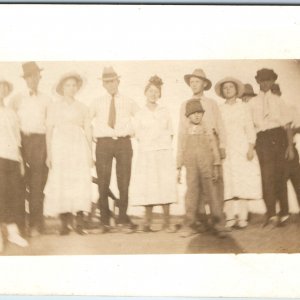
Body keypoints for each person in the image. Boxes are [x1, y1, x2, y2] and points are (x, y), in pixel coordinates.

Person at [90, 67, 140, 233]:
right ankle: (104, 221)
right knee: (103, 183)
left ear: (118, 81)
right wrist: (93, 136)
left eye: (113, 81)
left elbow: (141, 119)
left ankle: (122, 219)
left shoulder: (128, 101)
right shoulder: (96, 102)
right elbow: (85, 120)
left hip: (123, 143)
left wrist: (133, 131)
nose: (110, 85)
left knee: (123, 182)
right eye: (107, 82)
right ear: (103, 84)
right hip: (103, 144)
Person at [44, 72, 93, 235]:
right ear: (62, 88)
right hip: (60, 147)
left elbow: (87, 130)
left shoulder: (83, 107)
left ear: (77, 88)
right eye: (67, 85)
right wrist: (49, 155)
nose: (71, 88)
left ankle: (79, 223)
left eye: (74, 85)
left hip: (78, 146)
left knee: (79, 182)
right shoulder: (54, 107)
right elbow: (49, 131)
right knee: (62, 181)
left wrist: (89, 154)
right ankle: (64, 224)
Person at [178, 68, 226, 231]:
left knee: (214, 185)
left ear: (204, 84)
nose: (194, 85)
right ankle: (198, 221)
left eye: (197, 81)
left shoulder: (211, 103)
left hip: (210, 145)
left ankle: (217, 221)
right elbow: (182, 132)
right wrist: (181, 159)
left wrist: (221, 146)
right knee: (193, 186)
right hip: (192, 147)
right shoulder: (185, 104)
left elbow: (219, 125)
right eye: (191, 82)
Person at [130, 75, 177, 232]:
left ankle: (166, 222)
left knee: (165, 184)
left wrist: (162, 146)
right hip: (147, 154)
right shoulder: (140, 113)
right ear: (145, 92)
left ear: (160, 94)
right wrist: (149, 144)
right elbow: (137, 134)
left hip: (163, 152)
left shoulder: (165, 111)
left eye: (156, 91)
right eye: (150, 91)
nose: (153, 94)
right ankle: (147, 222)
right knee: (148, 186)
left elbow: (170, 133)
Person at [9, 62, 51, 237]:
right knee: (19, 185)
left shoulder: (47, 99)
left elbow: (49, 126)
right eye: (29, 76)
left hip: (40, 142)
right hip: (21, 142)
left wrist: (49, 151)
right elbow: (10, 124)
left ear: (40, 77)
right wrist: (16, 149)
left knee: (37, 185)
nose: (32, 79)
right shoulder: (16, 99)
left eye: (35, 76)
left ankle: (36, 225)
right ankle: (20, 225)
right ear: (25, 79)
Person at [249, 68, 294, 227]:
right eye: (262, 80)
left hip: (279, 137)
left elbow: (287, 124)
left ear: (273, 81)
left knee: (280, 176)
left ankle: (284, 213)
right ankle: (271, 214)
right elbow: (249, 125)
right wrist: (252, 144)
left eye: (269, 80)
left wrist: (290, 146)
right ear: (258, 81)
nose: (266, 83)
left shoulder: (278, 100)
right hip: (263, 139)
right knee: (267, 177)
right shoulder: (252, 103)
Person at [215, 77, 262, 229]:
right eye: (225, 87)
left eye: (231, 87)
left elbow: (249, 128)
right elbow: (217, 130)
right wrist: (220, 148)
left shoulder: (244, 107)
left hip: (241, 148)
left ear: (236, 90)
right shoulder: (219, 109)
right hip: (226, 149)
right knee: (228, 183)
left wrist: (250, 147)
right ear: (222, 91)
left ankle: (243, 218)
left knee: (243, 183)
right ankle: (230, 217)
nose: (228, 89)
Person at [0, 78, 28, 252]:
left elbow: (17, 139)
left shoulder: (11, 112)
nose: (1, 90)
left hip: (11, 158)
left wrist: (20, 160)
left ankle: (12, 232)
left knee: (12, 195)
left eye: (4, 88)